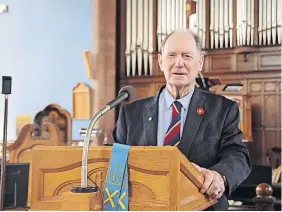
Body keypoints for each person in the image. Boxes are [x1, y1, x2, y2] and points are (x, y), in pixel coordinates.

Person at [113, 29, 251, 210]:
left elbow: (237, 155)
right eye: (172, 56)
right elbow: (115, 164)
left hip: (203, 206)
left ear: (200, 62)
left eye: (187, 56)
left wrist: (219, 176)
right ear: (161, 61)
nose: (179, 63)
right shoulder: (130, 114)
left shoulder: (224, 109)